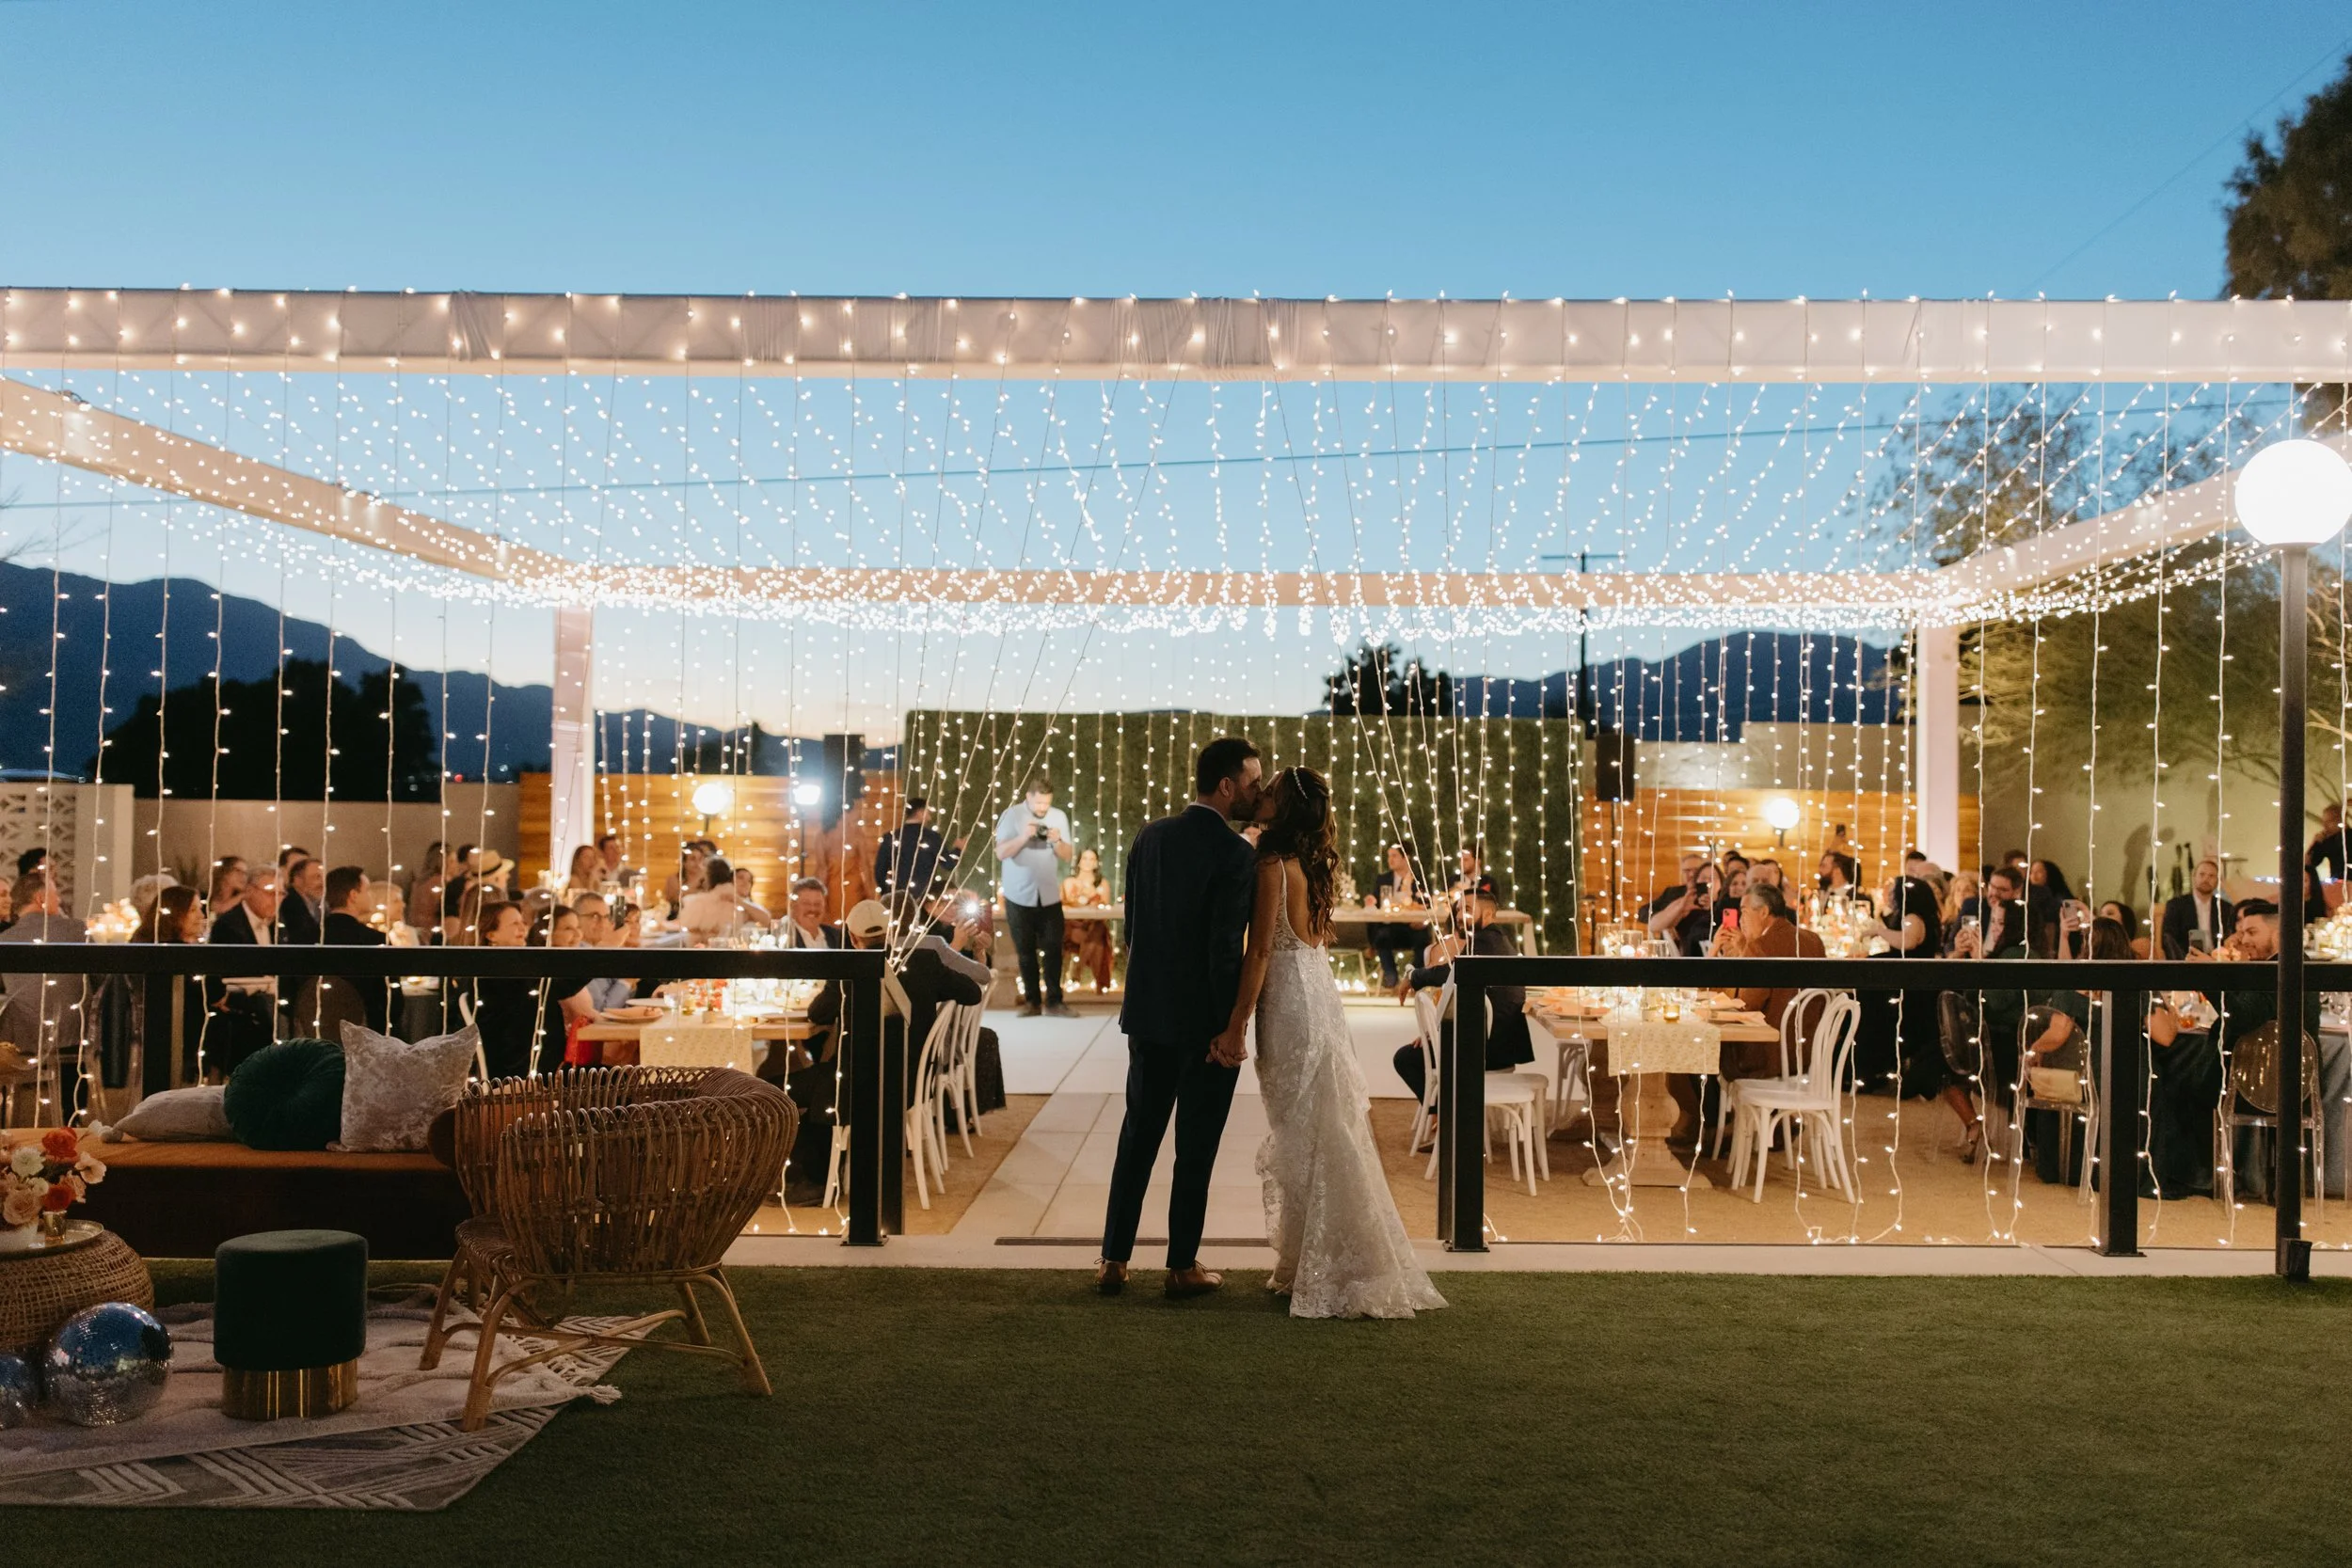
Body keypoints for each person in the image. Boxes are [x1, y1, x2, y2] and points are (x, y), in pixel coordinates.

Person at [1210, 766, 1444, 1320]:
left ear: (1284, 810)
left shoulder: (1272, 864)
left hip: (1290, 1006)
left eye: (1270, 794)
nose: (1260, 796)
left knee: (1306, 1134)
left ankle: (1334, 1267)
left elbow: (1261, 951)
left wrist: (1237, 1022)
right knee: (1325, 1130)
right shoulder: (1311, 863)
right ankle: (1312, 1262)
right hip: (1320, 997)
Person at [1097, 737, 1262, 1299]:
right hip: (1205, 1028)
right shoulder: (1237, 854)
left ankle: (1113, 1260)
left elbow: (1132, 926)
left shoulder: (1150, 837)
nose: (1256, 791)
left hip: (1147, 1016)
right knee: (1195, 1148)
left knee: (1137, 1137)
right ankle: (1181, 1265)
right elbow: (1224, 950)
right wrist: (1230, 1027)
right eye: (1252, 782)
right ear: (1226, 786)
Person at [1389, 879, 1533, 1102]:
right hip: (1492, 1042)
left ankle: (1442, 1112)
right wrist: (1436, 1032)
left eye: (1466, 910)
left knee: (1405, 1059)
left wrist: (1412, 977)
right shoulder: (1492, 940)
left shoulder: (1485, 944)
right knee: (1418, 1052)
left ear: (1488, 915)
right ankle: (1445, 1111)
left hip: (1486, 1051)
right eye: (1457, 910)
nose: (1457, 917)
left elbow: (1452, 972)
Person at [1855, 874, 1943, 1101]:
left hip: (1909, 989)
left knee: (1872, 1011)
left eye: (1894, 893)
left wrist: (1879, 931)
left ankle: (1871, 1068)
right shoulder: (1915, 916)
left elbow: (1908, 942)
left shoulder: (1913, 918)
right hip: (1910, 984)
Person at [995, 776, 1076, 1018]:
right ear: (1028, 797)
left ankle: (1055, 1001)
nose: (1043, 808)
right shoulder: (1011, 815)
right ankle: (1032, 1001)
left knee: (1053, 947)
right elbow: (1000, 852)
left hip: (1049, 893)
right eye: (1039, 803)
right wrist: (1024, 837)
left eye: (1046, 804)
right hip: (1018, 894)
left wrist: (1057, 840)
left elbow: (1068, 855)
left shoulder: (1058, 816)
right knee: (1025, 950)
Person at [134, 884, 207, 1093]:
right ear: (175, 913)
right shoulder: (175, 951)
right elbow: (210, 991)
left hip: (156, 1022)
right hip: (174, 1025)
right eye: (193, 910)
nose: (201, 915)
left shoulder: (143, 940)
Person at [466, 900, 538, 1079]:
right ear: (491, 935)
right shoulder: (496, 974)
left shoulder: (516, 968)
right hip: (509, 1068)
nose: (523, 928)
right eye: (515, 923)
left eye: (523, 922)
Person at [319, 864, 390, 1035]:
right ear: (353, 895)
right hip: (366, 1033)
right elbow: (390, 1002)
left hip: (314, 1030)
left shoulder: (307, 936)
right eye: (367, 891)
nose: (370, 896)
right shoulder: (375, 940)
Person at [874, 796, 963, 899]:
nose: (930, 816)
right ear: (920, 812)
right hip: (924, 896)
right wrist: (958, 849)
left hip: (897, 896)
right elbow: (949, 864)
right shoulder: (931, 837)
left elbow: (879, 871)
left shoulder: (890, 837)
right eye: (928, 811)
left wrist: (887, 894)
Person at [1363, 843, 1423, 988]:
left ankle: (1411, 978)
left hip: (1413, 927)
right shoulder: (1383, 879)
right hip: (1390, 927)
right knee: (1382, 936)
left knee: (1424, 940)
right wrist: (1371, 901)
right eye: (1389, 856)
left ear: (1406, 858)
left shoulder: (1419, 879)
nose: (1390, 860)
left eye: (1394, 856)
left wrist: (1422, 921)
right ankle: (1391, 977)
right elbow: (1376, 903)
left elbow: (1427, 905)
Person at [1061, 846, 1116, 993]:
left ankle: (1077, 973)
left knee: (1097, 931)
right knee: (1096, 937)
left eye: (1092, 859)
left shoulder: (1102, 884)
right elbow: (1067, 905)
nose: (1087, 862)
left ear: (1096, 863)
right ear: (1078, 862)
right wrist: (1084, 903)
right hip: (1074, 927)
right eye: (1084, 858)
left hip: (1094, 925)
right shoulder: (1069, 882)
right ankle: (1100, 984)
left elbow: (1104, 907)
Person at [1644, 860, 1723, 956]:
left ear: (1721, 883)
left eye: (1713, 877)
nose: (1708, 881)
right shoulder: (1686, 903)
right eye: (1704, 878)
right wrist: (1681, 907)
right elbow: (1654, 925)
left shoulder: (1724, 907)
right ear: (1696, 881)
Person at [2160, 857, 2233, 959]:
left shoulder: (2225, 908)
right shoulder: (2176, 905)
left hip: (2216, 961)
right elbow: (2168, 938)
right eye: (2202, 874)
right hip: (2186, 959)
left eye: (2211, 876)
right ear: (2194, 877)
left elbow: (2230, 937)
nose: (2206, 879)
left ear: (2217, 881)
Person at [2025, 857, 2076, 958]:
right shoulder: (2028, 898)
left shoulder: (2065, 898)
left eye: (2039, 871)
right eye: (2031, 872)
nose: (2034, 876)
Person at [777, 877, 841, 949]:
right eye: (806, 903)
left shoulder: (836, 936)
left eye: (817, 904)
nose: (812, 908)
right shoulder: (784, 935)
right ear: (793, 906)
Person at [278, 856, 326, 945]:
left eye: (323, 878)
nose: (322, 883)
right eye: (317, 877)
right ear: (298, 879)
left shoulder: (316, 905)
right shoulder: (288, 904)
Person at [405, 843, 446, 933]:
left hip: (416, 930)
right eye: (452, 861)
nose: (456, 865)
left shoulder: (419, 881)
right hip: (431, 932)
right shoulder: (439, 883)